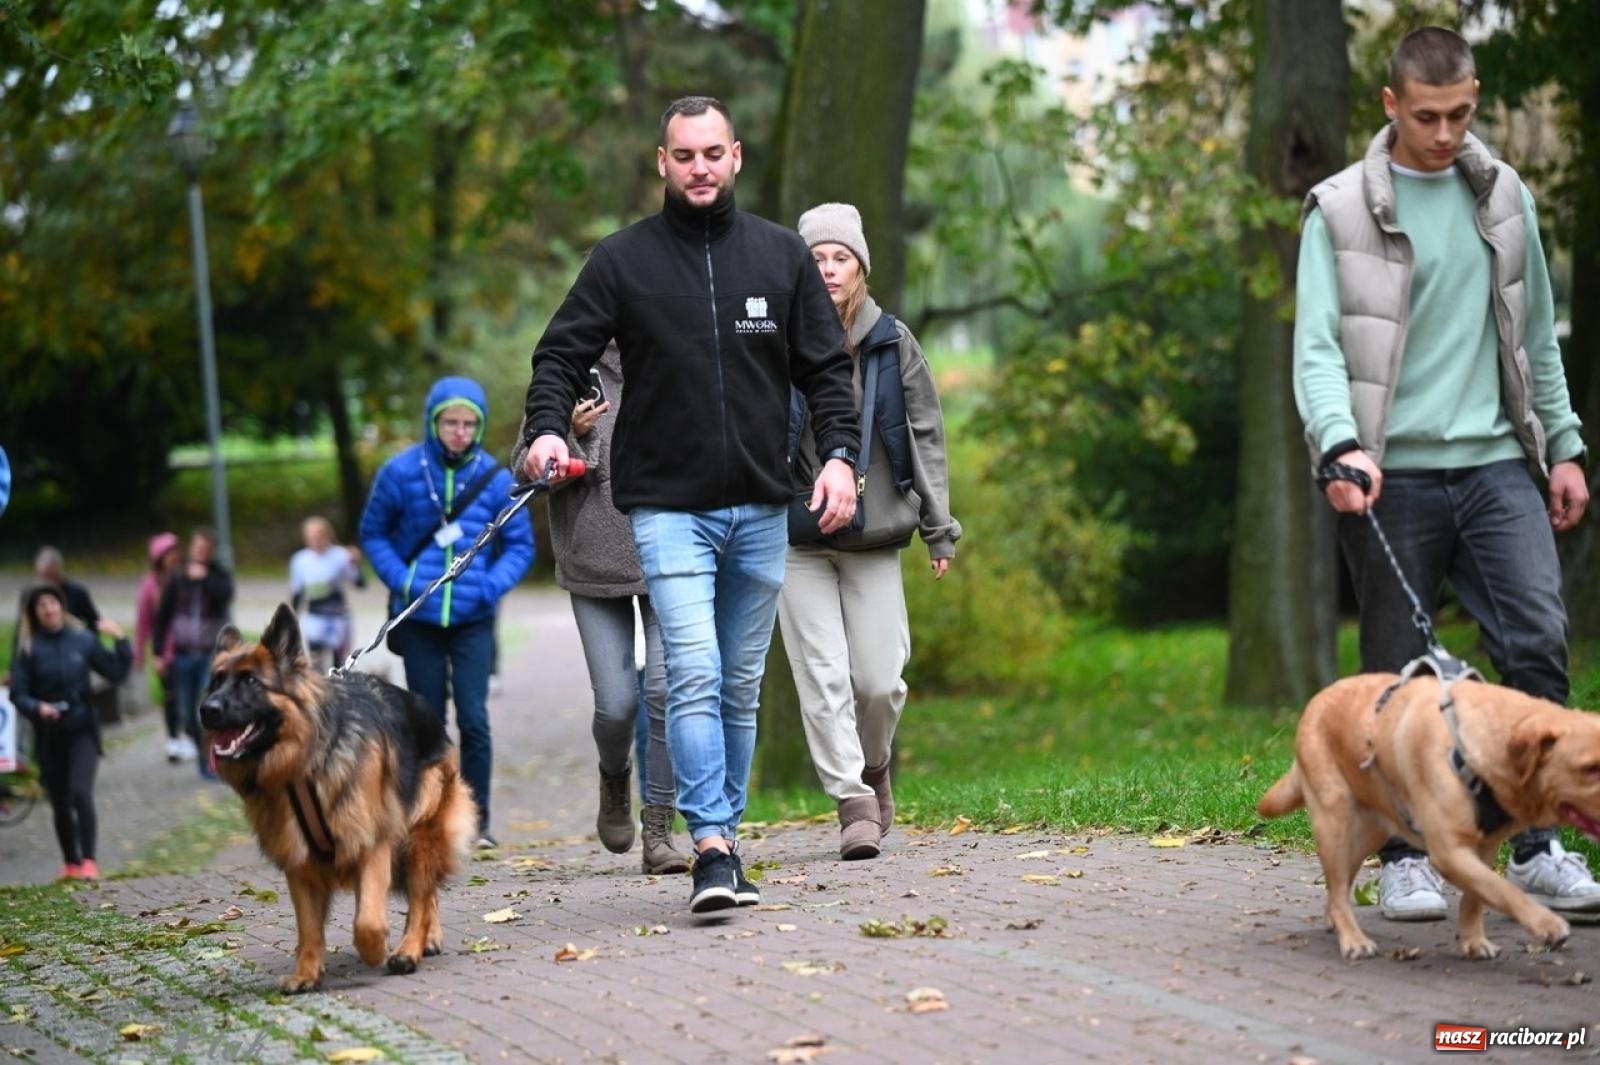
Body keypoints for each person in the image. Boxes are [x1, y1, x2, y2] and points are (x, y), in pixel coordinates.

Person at [520, 96, 861, 914]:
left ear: (735, 156)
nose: (700, 167)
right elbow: (560, 354)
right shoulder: (621, 261)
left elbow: (826, 371)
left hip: (759, 507)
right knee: (696, 673)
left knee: (740, 682)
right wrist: (542, 431)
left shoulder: (779, 258)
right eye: (684, 155)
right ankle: (710, 845)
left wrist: (843, 458)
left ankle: (725, 835)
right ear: (662, 163)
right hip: (667, 508)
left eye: (713, 153)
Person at [1293, 27, 1597, 923]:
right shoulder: (1340, 207)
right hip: (1391, 473)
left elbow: (1538, 334)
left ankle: (1539, 842)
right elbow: (1317, 348)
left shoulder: (1504, 197)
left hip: (1498, 458)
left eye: (1461, 113)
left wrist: (1566, 443)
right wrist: (1338, 443)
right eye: (1427, 116)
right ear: (1391, 106)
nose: (1444, 132)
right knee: (1395, 674)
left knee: (1537, 639)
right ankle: (1403, 856)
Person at [777, 204, 962, 860]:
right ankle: (852, 799)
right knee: (821, 673)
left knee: (879, 681)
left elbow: (927, 435)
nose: (827, 269)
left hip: (875, 530)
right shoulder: (777, 335)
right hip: (795, 535)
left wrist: (939, 527)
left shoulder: (893, 341)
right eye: (816, 258)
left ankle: (876, 763)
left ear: (860, 267)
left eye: (839, 258)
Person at [514, 343, 686, 874]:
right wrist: (569, 435)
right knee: (616, 706)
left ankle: (660, 829)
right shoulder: (567, 370)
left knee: (664, 693)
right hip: (593, 562)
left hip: (672, 554)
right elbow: (523, 472)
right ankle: (615, 775)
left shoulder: (675, 350)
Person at [360, 375, 534, 850]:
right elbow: (373, 533)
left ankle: (477, 822)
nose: (459, 431)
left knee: (475, 719)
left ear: (478, 427)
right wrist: (404, 580)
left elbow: (520, 544)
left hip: (474, 620)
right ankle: (429, 820)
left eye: (468, 423)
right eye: (450, 422)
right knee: (428, 719)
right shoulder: (400, 474)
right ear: (433, 422)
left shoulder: (498, 481)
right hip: (419, 620)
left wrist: (490, 587)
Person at [9, 584, 131, 880]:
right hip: (49, 734)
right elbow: (17, 693)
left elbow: (116, 672)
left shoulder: (83, 639)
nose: (49, 609)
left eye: (53, 603)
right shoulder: (28, 648)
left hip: (82, 729)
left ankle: (89, 861)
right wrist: (38, 708)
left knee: (80, 793)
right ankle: (71, 863)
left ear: (61, 606)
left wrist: (121, 641)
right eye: (42, 606)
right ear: (34, 613)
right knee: (60, 801)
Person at [152, 529, 234, 780]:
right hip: (182, 654)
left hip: (210, 655)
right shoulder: (177, 578)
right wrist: (157, 653)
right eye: (197, 548)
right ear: (191, 548)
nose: (200, 553)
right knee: (186, 713)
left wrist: (206, 579)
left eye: (205, 549)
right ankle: (202, 752)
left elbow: (226, 596)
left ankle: (209, 764)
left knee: (205, 708)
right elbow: (163, 617)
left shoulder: (218, 575)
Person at [134, 532, 186, 762]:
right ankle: (174, 739)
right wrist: (141, 653)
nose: (174, 557)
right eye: (168, 553)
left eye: (175, 552)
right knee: (172, 695)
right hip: (165, 651)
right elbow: (144, 621)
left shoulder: (187, 577)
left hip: (190, 646)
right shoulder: (150, 586)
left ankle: (190, 735)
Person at [289, 515, 366, 672]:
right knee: (316, 663)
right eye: (311, 537)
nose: (315, 540)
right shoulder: (300, 560)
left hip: (337, 617)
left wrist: (355, 564)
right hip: (314, 616)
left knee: (339, 664)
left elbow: (358, 583)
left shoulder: (340, 556)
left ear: (327, 536)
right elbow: (297, 593)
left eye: (318, 536)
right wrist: (292, 618)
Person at [32, 547, 101, 632]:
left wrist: (78, 629)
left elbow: (94, 623)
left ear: (59, 571)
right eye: (45, 577)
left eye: (52, 576)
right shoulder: (33, 594)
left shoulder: (77, 592)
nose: (49, 582)